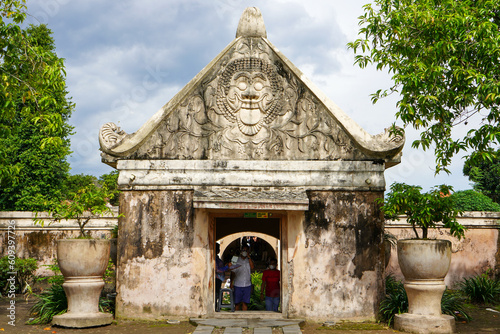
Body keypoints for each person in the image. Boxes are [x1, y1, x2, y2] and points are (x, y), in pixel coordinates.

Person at [230, 245, 254, 311]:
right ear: (241, 251)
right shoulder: (235, 259)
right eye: (243, 250)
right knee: (237, 303)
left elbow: (252, 267)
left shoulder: (249, 260)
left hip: (247, 284)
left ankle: (244, 317)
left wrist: (249, 257)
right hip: (238, 284)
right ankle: (237, 318)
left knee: (245, 303)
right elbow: (232, 272)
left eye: (246, 251)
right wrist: (231, 282)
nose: (245, 252)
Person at [215, 243, 231, 311]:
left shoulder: (217, 258)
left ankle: (218, 307)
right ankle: (216, 307)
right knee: (216, 294)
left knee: (218, 293)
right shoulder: (214, 259)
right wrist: (226, 267)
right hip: (216, 278)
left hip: (219, 279)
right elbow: (217, 269)